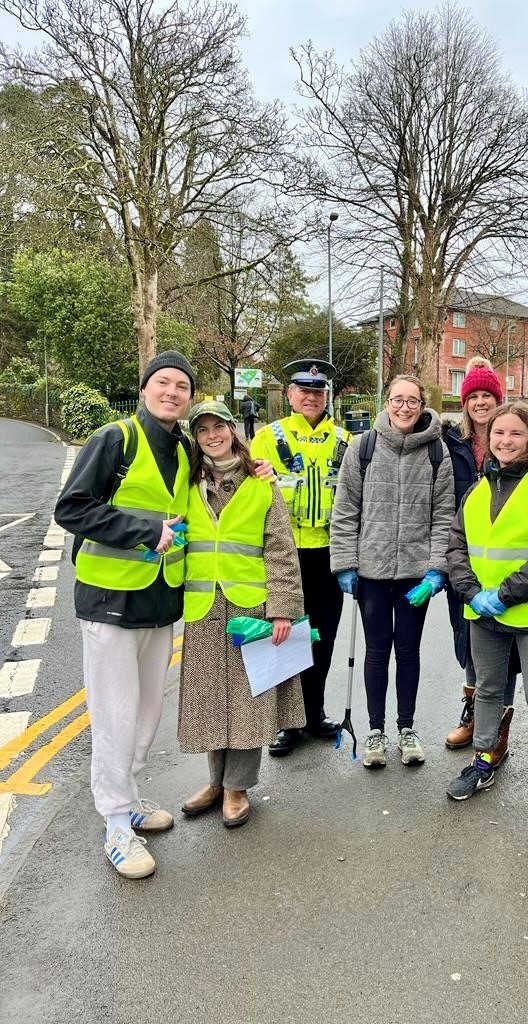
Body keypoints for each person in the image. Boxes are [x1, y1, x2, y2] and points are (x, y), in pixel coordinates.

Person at [54, 350, 195, 879]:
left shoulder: (181, 447)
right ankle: (115, 823)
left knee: (148, 710)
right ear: (144, 389)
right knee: (114, 713)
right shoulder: (115, 439)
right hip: (110, 598)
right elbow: (71, 508)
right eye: (163, 382)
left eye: (182, 386)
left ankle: (128, 796)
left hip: (159, 598)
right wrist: (143, 533)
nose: (172, 392)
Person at [445, 404, 528, 834]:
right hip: (484, 613)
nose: (505, 440)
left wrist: (503, 595)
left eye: (515, 433)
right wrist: (471, 593)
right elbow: (456, 547)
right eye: (499, 432)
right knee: (487, 692)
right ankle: (482, 761)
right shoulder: (477, 489)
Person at [177, 401, 305, 828]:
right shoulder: (187, 481)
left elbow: (281, 550)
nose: (212, 436)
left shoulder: (259, 482)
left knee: (249, 702)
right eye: (203, 431)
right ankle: (215, 781)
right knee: (211, 700)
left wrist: (283, 609)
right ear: (196, 438)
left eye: (219, 427)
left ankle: (237, 787)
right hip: (202, 607)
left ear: (233, 430)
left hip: (250, 606)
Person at [330, 374, 455, 768]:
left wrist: (436, 571)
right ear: (387, 403)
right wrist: (346, 564)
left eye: (412, 401)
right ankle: (375, 731)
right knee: (377, 651)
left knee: (408, 650)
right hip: (371, 573)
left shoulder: (437, 452)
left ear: (422, 405)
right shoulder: (362, 448)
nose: (404, 407)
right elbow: (345, 510)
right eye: (397, 400)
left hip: (416, 576)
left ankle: (406, 728)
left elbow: (444, 516)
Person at [250, 358, 351, 755]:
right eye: (304, 391)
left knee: (322, 638)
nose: (311, 397)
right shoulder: (266, 438)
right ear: (290, 395)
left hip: (330, 554)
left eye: (318, 391)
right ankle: (286, 722)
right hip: (285, 555)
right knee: (286, 636)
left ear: (326, 397)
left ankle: (315, 712)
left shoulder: (345, 441)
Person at [442, 356, 518, 764]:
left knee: (503, 646)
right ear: (464, 401)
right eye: (474, 396)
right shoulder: (449, 442)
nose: (481, 403)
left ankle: (498, 725)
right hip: (464, 557)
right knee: (467, 642)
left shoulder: (513, 439)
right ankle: (474, 713)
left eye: (488, 395)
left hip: (505, 560)